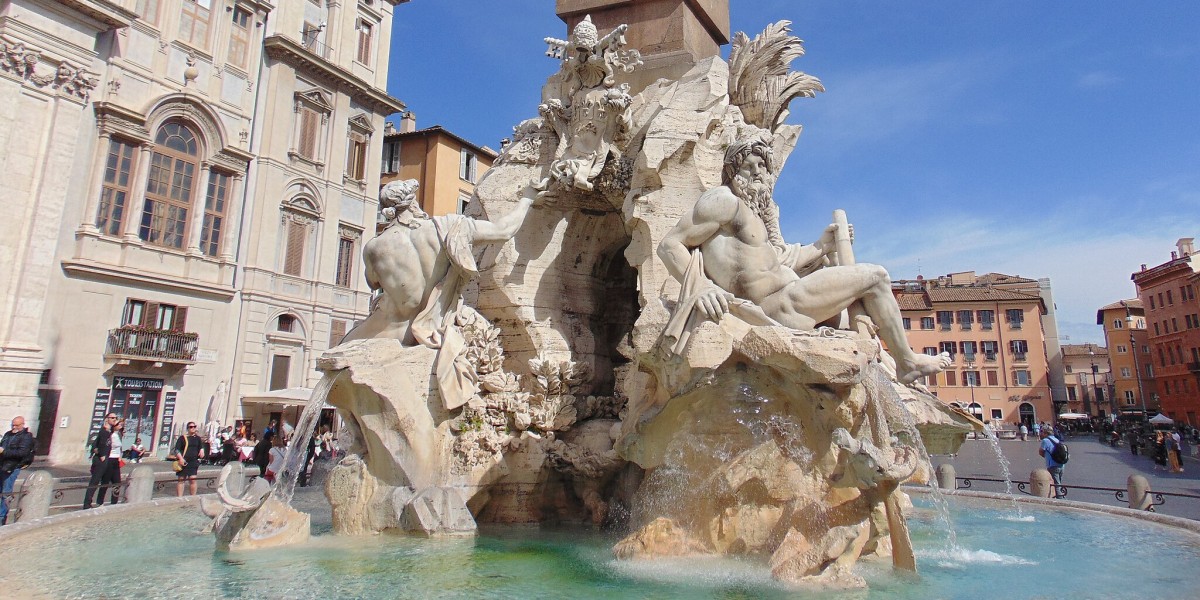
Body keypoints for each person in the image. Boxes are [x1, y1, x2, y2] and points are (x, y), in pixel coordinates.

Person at [656, 134, 950, 384]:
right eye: (748, 166)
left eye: (762, 166)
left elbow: (779, 261)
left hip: (789, 296)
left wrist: (822, 246)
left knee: (855, 306)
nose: (757, 172)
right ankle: (907, 363)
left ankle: (891, 363)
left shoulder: (751, 213)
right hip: (780, 305)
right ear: (733, 171)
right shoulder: (722, 201)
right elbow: (669, 245)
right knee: (876, 277)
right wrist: (702, 287)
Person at [0, 416, 36, 524]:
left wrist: (4, 452)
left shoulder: (26, 436)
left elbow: (22, 453)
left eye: (16, 425)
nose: (14, 427)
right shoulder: (8, 434)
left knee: (6, 492)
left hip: (12, 467)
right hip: (2, 465)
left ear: (22, 424)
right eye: (13, 425)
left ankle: (2, 517)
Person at [82, 413, 122, 509]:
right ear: (107, 419)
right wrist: (102, 455)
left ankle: (108, 502)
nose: (114, 419)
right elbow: (97, 445)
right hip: (101, 460)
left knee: (110, 481)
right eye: (112, 418)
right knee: (95, 481)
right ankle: (87, 504)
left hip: (107, 459)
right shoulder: (104, 431)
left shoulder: (109, 431)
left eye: (115, 418)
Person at [173, 422, 206, 497]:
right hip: (184, 460)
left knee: (193, 479)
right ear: (187, 428)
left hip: (193, 461)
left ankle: (193, 497)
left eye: (194, 426)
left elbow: (201, 447)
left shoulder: (197, 438)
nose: (193, 428)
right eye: (191, 427)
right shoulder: (182, 438)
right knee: (181, 479)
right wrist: (181, 458)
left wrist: (202, 450)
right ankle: (179, 498)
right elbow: (177, 449)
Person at [1038, 428, 1066, 498]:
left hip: (1052, 465)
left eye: (1043, 433)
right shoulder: (1057, 440)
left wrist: (1046, 457)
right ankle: (1060, 496)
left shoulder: (1045, 440)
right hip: (1061, 464)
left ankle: (1060, 500)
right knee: (1059, 482)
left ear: (1046, 434)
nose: (1042, 434)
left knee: (1056, 484)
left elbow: (1041, 451)